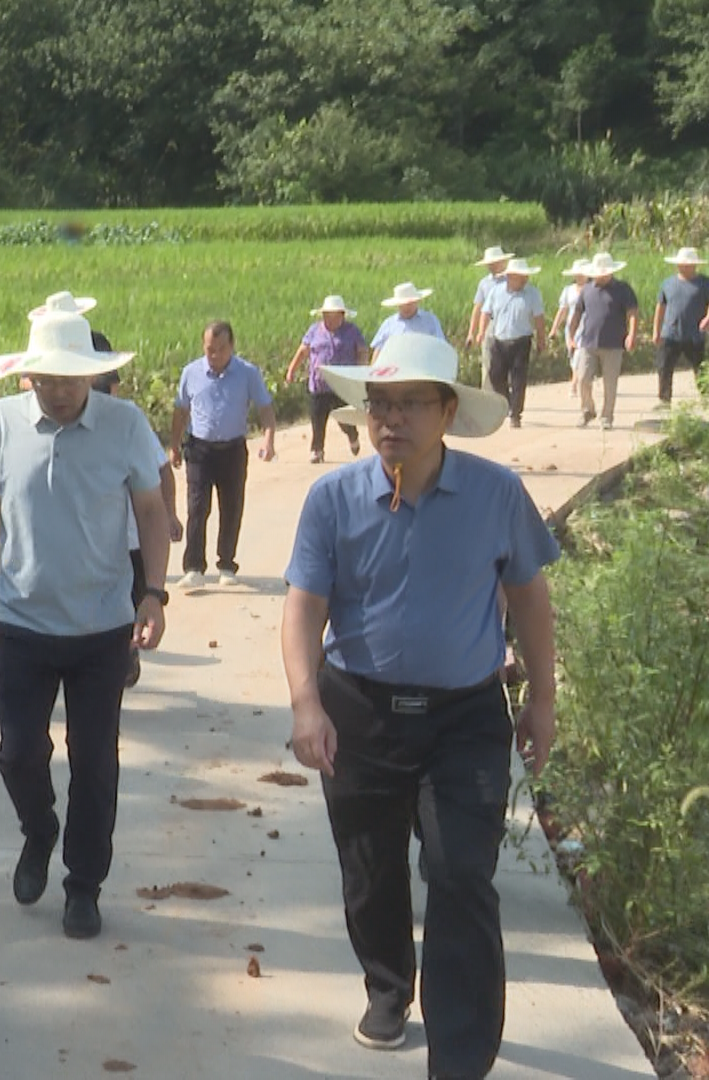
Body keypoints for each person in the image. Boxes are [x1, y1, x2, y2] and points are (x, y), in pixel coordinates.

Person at [282, 332, 559, 1080]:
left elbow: (531, 600)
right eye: (379, 404)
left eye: (409, 404)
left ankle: (461, 1055)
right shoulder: (332, 500)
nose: (391, 419)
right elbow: (304, 607)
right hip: (359, 710)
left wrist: (543, 700)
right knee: (370, 870)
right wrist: (307, 702)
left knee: (461, 870)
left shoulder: (497, 494)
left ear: (446, 411)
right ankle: (388, 984)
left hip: (466, 716)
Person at [0, 312, 171, 941]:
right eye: (46, 378)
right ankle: (39, 829)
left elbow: (151, 507)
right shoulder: (1, 422)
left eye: (71, 379)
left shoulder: (124, 425)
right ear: (28, 375)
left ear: (92, 377)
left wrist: (155, 594)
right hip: (23, 620)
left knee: (96, 764)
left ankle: (84, 884)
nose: (58, 391)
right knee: (17, 753)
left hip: (101, 627)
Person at [90, 368, 181, 688]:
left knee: (130, 601)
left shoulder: (128, 423)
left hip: (134, 540)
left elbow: (162, 469)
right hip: (95, 544)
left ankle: (125, 652)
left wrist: (169, 513)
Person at [169, 320, 277, 590]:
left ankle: (227, 564)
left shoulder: (248, 373)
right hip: (199, 449)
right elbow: (180, 411)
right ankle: (194, 566)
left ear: (232, 346)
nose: (215, 355)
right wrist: (174, 445)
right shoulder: (190, 373)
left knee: (231, 507)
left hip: (232, 450)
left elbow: (265, 408)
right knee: (196, 507)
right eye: (209, 349)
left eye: (220, 349)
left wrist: (269, 440)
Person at [285, 295, 367, 462]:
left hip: (341, 383)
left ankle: (352, 435)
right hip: (319, 384)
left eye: (333, 315)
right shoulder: (314, 330)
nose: (329, 319)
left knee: (344, 418)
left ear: (342, 315)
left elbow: (362, 351)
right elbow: (303, 351)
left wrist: (361, 373)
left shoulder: (351, 331)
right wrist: (291, 370)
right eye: (326, 315)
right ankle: (317, 450)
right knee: (317, 419)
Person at [569, 252, 639, 430]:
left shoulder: (623, 289)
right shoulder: (587, 290)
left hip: (614, 344)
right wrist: (571, 335)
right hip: (588, 342)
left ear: (610, 272)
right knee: (583, 378)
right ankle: (587, 410)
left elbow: (632, 313)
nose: (599, 276)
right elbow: (577, 314)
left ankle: (607, 417)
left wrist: (631, 335)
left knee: (610, 383)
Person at [476, 258, 547, 428]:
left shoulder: (533, 294)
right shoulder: (496, 292)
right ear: (510, 277)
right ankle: (508, 403)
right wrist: (480, 332)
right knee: (495, 375)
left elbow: (539, 318)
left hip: (521, 341)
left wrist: (541, 339)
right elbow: (485, 312)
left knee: (518, 378)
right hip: (499, 340)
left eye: (525, 277)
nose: (524, 280)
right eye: (520, 277)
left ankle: (516, 414)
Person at [653, 246, 709, 409]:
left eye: (687, 264)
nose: (684, 266)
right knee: (664, 367)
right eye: (682, 264)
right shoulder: (668, 283)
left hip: (695, 334)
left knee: (701, 369)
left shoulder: (704, 283)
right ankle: (664, 401)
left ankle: (705, 398)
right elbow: (660, 307)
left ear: (694, 265)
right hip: (670, 333)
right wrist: (656, 330)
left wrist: (707, 318)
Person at [466, 246, 514, 390]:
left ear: (503, 262)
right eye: (490, 264)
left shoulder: (512, 280)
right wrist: (471, 332)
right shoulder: (484, 283)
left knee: (508, 361)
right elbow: (478, 308)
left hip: (508, 324)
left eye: (495, 262)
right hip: (488, 324)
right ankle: (488, 394)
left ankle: (507, 393)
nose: (492, 266)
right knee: (488, 361)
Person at [371, 282, 447, 362]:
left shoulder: (430, 320)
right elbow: (378, 351)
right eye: (403, 304)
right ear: (398, 305)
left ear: (417, 302)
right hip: (396, 370)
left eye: (410, 304)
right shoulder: (388, 324)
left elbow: (441, 346)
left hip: (424, 368)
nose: (407, 308)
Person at [548, 260, 591, 398]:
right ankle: (579, 379)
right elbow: (563, 310)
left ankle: (574, 384)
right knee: (573, 356)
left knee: (580, 354)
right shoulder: (568, 290)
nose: (579, 277)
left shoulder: (592, 289)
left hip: (588, 326)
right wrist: (554, 328)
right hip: (572, 328)